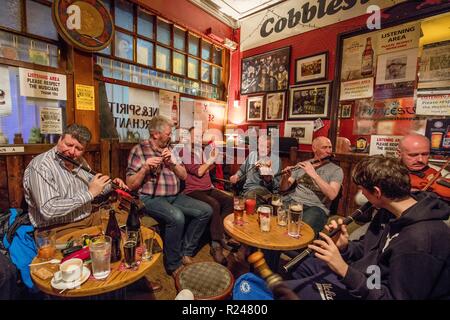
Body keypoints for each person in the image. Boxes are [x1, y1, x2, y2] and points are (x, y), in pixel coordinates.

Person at [286, 156, 450, 299]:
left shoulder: (420, 240)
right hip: (367, 277)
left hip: (375, 290)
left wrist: (344, 270)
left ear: (377, 192)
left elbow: (391, 296)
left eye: (362, 189)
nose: (362, 194)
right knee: (301, 265)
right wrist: (344, 246)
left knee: (286, 291)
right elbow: (368, 248)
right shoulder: (388, 211)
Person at [126, 116, 212, 275]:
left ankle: (186, 251)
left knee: (205, 210)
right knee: (177, 217)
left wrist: (172, 163)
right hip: (150, 198)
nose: (170, 136)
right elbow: (130, 184)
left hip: (174, 195)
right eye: (168, 133)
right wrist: (145, 168)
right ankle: (173, 264)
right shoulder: (139, 150)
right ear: (155, 134)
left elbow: (184, 176)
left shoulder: (171, 150)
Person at [23, 124, 128, 236]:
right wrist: (90, 194)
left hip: (88, 218)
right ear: (60, 139)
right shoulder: (41, 166)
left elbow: (95, 188)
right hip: (57, 228)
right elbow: (48, 210)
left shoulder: (79, 162)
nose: (72, 152)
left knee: (129, 221)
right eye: (68, 145)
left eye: (79, 148)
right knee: (102, 246)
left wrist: (112, 185)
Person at [182, 127, 235, 265]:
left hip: (207, 188)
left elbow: (206, 169)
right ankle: (216, 244)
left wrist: (216, 159)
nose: (199, 139)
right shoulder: (185, 152)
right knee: (214, 204)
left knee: (229, 200)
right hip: (192, 190)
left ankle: (222, 234)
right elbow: (199, 171)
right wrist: (211, 159)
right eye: (196, 136)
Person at [280, 136, 343, 236]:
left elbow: (332, 195)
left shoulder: (336, 170)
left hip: (316, 208)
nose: (329, 151)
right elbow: (284, 188)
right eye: (324, 147)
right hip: (293, 201)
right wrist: (285, 177)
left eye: (330, 147)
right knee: (274, 218)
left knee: (302, 231)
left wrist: (314, 175)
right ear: (314, 148)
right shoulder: (303, 165)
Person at [397, 133, 450, 201]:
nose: (420, 160)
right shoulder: (389, 172)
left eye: (425, 154)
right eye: (413, 155)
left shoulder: (433, 171)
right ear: (399, 153)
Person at [230, 134, 281, 200]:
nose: (263, 150)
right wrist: (236, 176)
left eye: (267, 147)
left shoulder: (276, 160)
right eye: (261, 146)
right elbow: (242, 170)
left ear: (271, 148)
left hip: (264, 190)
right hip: (247, 188)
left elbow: (277, 185)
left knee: (250, 198)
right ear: (258, 145)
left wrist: (268, 180)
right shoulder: (252, 154)